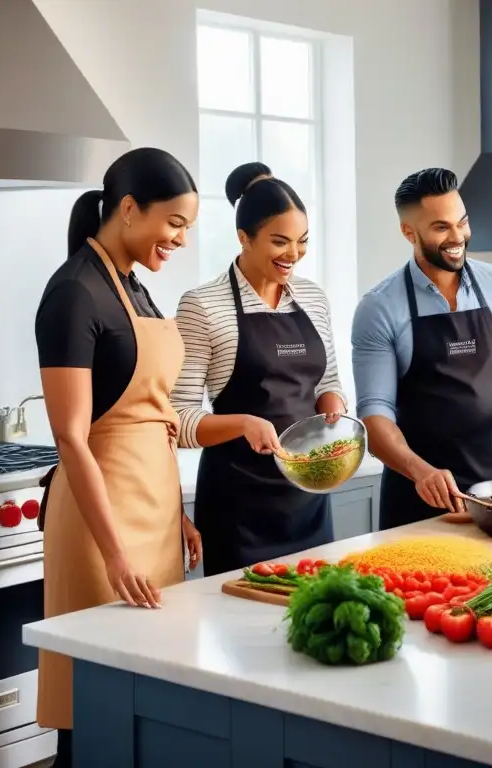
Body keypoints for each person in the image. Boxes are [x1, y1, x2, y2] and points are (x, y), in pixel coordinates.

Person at [34, 147, 202, 766]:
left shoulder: (133, 285)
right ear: (129, 209)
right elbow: (72, 437)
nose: (180, 240)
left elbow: (148, 417)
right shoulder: (75, 293)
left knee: (146, 702)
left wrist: (172, 515)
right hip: (98, 524)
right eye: (175, 224)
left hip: (151, 514)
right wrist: (114, 550)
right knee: (92, 704)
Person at [352, 168, 492, 529]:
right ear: (408, 232)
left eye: (462, 222)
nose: (458, 237)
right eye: (441, 228)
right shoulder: (379, 308)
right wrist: (421, 472)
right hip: (418, 499)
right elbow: (375, 417)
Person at [171, 163, 347, 575]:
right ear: (243, 237)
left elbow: (328, 381)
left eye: (302, 242)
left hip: (308, 498)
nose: (293, 254)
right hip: (239, 509)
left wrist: (333, 403)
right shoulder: (202, 306)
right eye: (280, 241)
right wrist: (245, 424)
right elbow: (177, 420)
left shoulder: (312, 298)